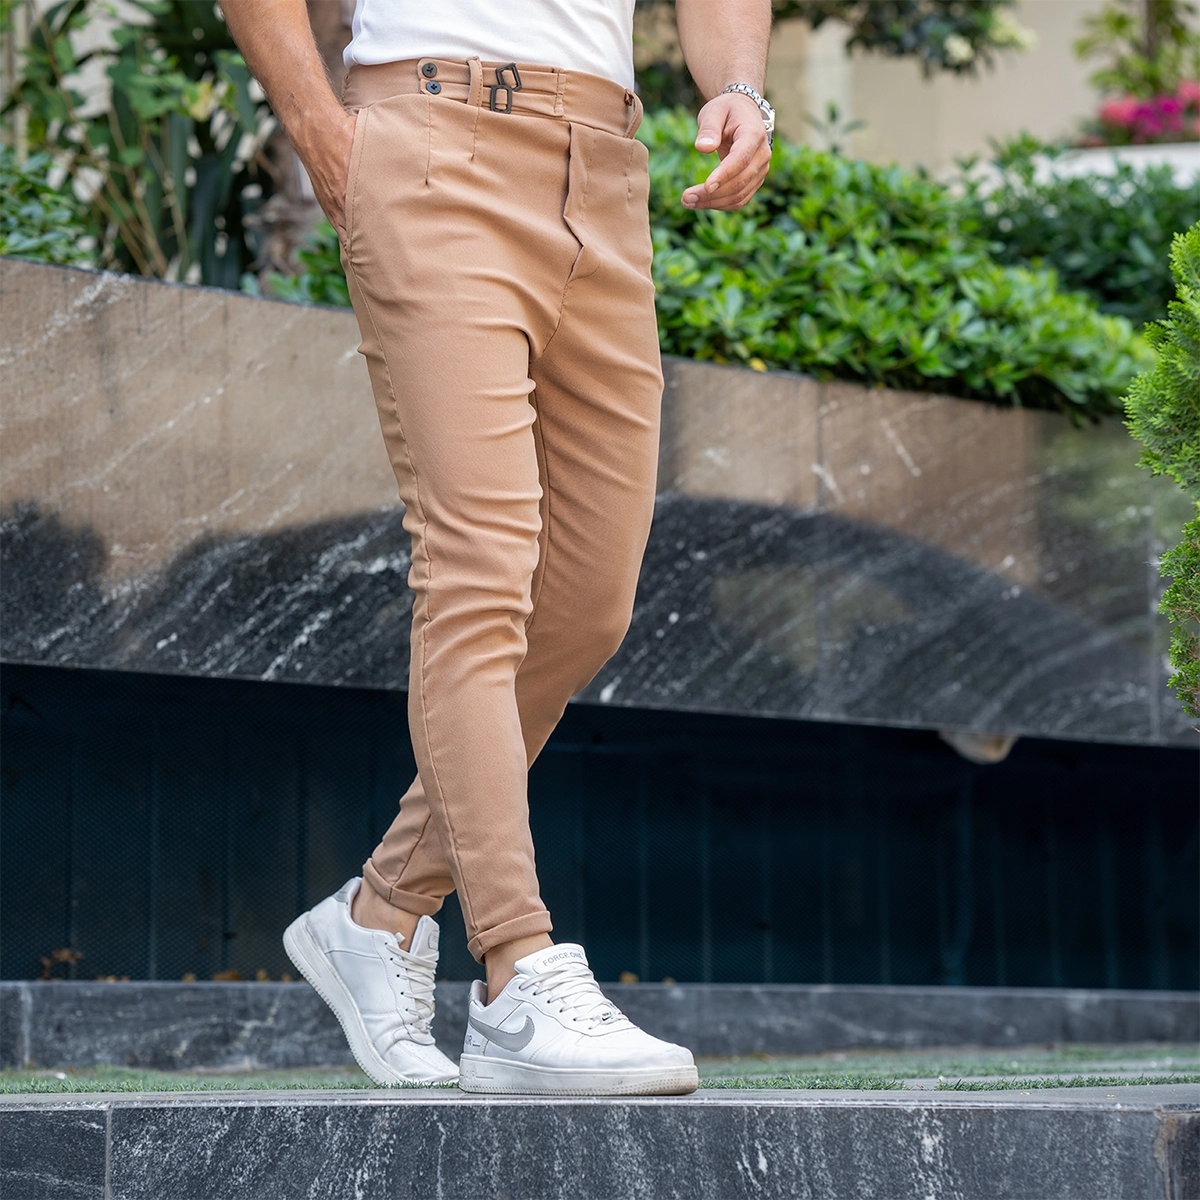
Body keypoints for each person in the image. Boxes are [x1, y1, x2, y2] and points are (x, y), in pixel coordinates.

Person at [218, 0, 774, 1095]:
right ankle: (517, 970)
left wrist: (740, 88)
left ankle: (380, 914)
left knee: (587, 600)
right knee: (477, 569)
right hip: (432, 143)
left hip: (605, 170)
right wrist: (324, 135)